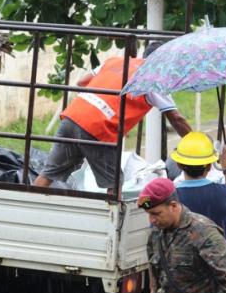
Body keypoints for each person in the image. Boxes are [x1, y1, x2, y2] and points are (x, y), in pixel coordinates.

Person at [33, 43, 192, 191]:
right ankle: (110, 219)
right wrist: (195, 141)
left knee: (48, 173)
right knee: (115, 183)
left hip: (72, 116)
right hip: (98, 127)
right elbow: (176, 118)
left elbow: (82, 81)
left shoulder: (116, 61)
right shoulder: (153, 79)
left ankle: (27, 205)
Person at [171, 132, 226, 247]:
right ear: (209, 166)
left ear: (178, 164)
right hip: (219, 263)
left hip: (184, 264)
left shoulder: (172, 199)